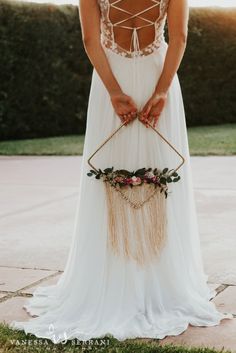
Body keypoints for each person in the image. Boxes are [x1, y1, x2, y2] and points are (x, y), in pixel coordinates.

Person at [10, 0, 233, 343]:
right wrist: (161, 91)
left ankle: (108, 278)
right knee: (162, 177)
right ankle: (164, 284)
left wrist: (114, 92)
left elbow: (90, 40)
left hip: (110, 82)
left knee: (108, 176)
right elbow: (181, 37)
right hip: (159, 77)